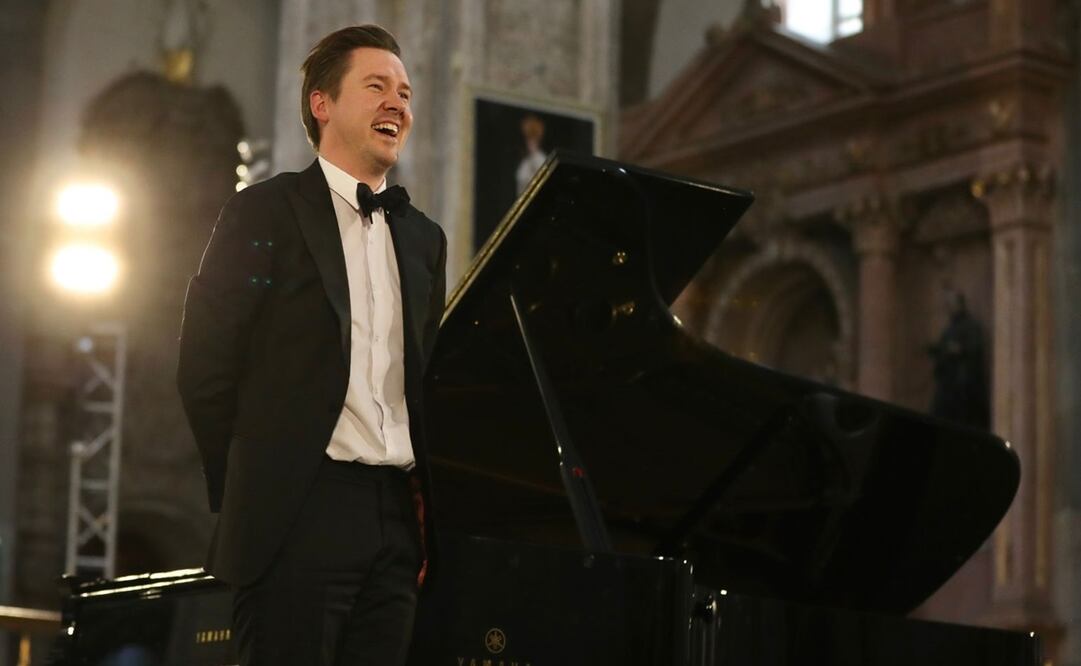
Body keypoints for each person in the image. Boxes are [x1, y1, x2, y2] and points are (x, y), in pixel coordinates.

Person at [176, 24, 446, 665]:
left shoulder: (424, 238)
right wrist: (255, 482)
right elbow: (204, 367)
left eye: (405, 93)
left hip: (395, 522)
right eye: (376, 86)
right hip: (297, 511)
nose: (398, 105)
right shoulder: (262, 213)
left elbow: (423, 382)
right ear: (321, 104)